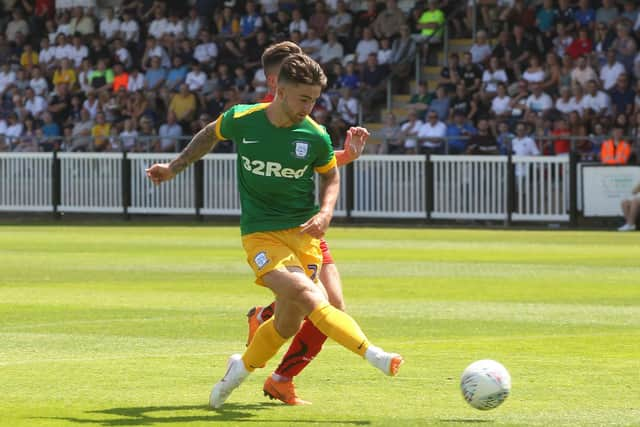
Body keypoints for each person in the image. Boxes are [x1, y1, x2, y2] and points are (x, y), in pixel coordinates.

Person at [146, 54, 403, 409]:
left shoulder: (314, 135)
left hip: (304, 237)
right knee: (311, 295)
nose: (309, 106)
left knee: (287, 324)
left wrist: (327, 212)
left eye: (314, 99)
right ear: (279, 91)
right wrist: (174, 168)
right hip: (261, 235)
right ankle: (372, 353)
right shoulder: (243, 119)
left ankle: (240, 369)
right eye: (303, 98)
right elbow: (208, 135)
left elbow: (329, 174)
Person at [248, 42, 375, 406]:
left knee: (330, 305)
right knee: (319, 305)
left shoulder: (301, 116)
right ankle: (279, 370)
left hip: (306, 229)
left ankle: (277, 364)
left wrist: (346, 156)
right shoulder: (261, 117)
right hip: (274, 231)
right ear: (275, 81)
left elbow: (316, 163)